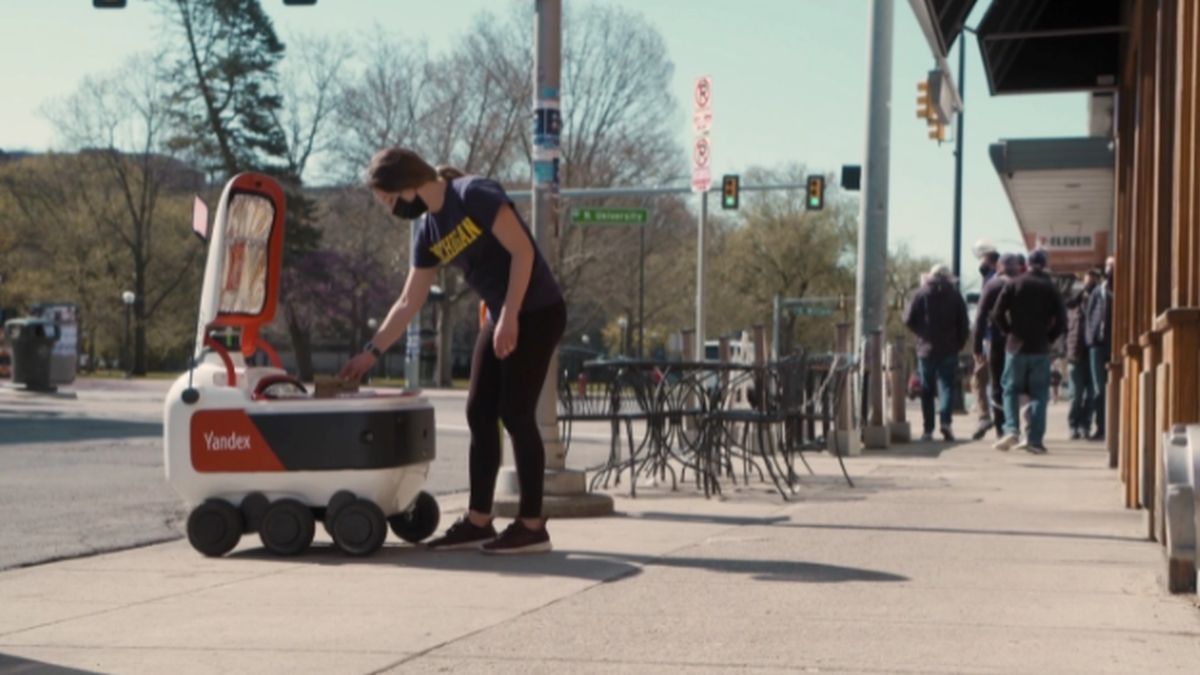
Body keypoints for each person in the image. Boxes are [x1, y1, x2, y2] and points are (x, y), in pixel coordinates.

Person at [340, 148, 566, 554]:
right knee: (479, 411)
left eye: (389, 200)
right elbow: (409, 300)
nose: (391, 209)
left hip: (537, 310)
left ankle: (533, 527)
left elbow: (523, 252)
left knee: (516, 413)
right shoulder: (428, 231)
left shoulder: (473, 193)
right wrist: (370, 353)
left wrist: (511, 315)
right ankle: (479, 521)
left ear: (406, 184)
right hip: (503, 312)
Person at [991, 249, 1068, 454]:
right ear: (1045, 264)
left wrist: (1009, 332)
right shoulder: (1050, 287)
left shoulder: (1014, 283)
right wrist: (1049, 338)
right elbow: (1062, 321)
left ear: (1026, 264)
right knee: (1039, 394)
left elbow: (997, 313)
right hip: (1040, 348)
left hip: (1015, 346)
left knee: (1009, 389)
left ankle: (1011, 429)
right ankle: (1034, 439)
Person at [903, 264, 970, 442]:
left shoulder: (921, 294)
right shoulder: (955, 296)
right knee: (946, 387)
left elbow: (908, 318)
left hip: (926, 348)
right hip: (949, 348)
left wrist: (920, 332)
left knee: (927, 389)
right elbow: (964, 323)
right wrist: (960, 343)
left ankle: (928, 429)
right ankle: (946, 422)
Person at [974, 252, 1020, 439]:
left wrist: (977, 347)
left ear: (999, 266)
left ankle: (1002, 428)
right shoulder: (1021, 284)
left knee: (997, 385)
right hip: (1019, 341)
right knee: (1015, 384)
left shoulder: (992, 286)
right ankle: (1014, 425)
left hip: (996, 340)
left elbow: (980, 317)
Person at [970, 244, 1001, 439]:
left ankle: (985, 417)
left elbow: (983, 316)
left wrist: (977, 345)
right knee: (999, 382)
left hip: (991, 338)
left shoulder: (992, 282)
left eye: (982, 260)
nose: (980, 264)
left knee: (979, 379)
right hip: (999, 338)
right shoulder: (993, 280)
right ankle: (1002, 424)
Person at [1065, 269, 1100, 439]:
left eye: (1093, 281)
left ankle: (1085, 425)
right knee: (1075, 395)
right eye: (1087, 281)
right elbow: (1066, 330)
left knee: (1091, 395)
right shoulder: (1073, 305)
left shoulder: (1101, 302)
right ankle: (1073, 425)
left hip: (1093, 353)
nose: (1089, 284)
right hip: (1076, 354)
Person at [1085, 257, 1114, 441]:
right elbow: (1089, 316)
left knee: (1114, 387)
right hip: (1097, 344)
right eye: (1108, 266)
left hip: (1115, 344)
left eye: (1113, 266)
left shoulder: (1121, 289)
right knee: (1099, 389)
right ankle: (1101, 427)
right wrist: (1090, 338)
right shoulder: (1098, 291)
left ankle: (1112, 425)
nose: (1110, 269)